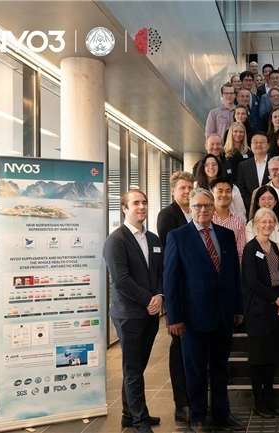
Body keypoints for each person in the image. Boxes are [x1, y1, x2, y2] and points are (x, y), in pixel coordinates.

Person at [163, 188, 244, 432]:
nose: (203, 210)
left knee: (220, 369)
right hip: (192, 319)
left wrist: (237, 308)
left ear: (213, 207)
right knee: (195, 371)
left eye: (207, 205)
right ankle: (197, 417)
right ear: (190, 208)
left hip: (223, 317)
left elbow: (234, 275)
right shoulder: (178, 237)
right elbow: (171, 280)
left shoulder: (226, 234)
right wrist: (174, 317)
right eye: (197, 206)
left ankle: (221, 414)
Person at [104, 190, 163, 433]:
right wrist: (149, 299)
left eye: (144, 202)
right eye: (135, 203)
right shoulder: (116, 240)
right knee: (132, 369)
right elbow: (121, 280)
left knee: (136, 367)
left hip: (150, 313)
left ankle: (130, 415)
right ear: (124, 208)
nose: (141, 206)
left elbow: (160, 272)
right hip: (129, 314)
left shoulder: (154, 239)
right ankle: (139, 420)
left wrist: (159, 295)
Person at [242, 207, 279, 418]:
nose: (267, 225)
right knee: (258, 359)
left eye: (271, 221)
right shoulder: (250, 249)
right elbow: (252, 282)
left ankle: (270, 399)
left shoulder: (275, 246)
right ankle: (259, 403)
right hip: (258, 311)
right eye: (263, 221)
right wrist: (275, 299)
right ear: (255, 225)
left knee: (271, 358)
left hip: (275, 311)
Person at [156, 173, 194, 424]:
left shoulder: (196, 211)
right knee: (178, 348)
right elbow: (170, 259)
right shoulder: (167, 216)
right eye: (182, 188)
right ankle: (181, 404)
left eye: (190, 187)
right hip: (179, 291)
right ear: (173, 191)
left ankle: (194, 398)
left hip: (196, 294)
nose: (187, 191)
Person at [245, 186, 279, 272]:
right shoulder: (251, 225)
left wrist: (277, 267)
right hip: (259, 270)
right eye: (263, 199)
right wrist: (267, 267)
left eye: (270, 198)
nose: (267, 202)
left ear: (275, 202)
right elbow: (254, 249)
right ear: (257, 202)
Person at [194, 153, 246, 220]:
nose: (211, 167)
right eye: (207, 165)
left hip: (230, 223)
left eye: (214, 164)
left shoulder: (232, 187)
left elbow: (240, 211)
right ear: (202, 168)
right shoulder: (196, 186)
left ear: (219, 167)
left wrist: (240, 224)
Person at [211, 178, 247, 262]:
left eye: (228, 191)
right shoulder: (206, 218)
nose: (224, 194)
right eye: (220, 191)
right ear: (212, 193)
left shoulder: (239, 221)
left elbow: (240, 252)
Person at [237, 132, 270, 214]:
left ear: (268, 145)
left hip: (272, 208)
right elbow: (241, 189)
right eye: (255, 142)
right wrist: (254, 204)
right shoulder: (243, 165)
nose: (258, 144)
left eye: (262, 142)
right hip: (250, 209)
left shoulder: (275, 163)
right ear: (251, 145)